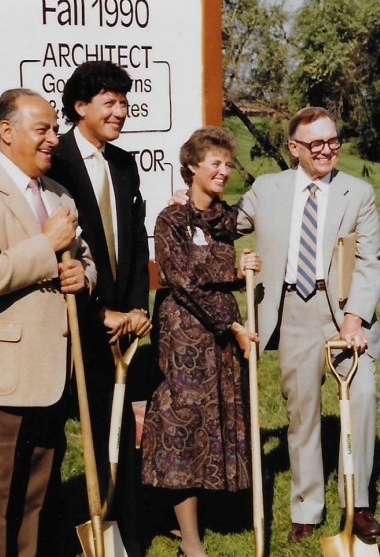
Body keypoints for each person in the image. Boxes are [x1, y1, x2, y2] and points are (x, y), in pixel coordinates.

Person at [0, 88, 95, 557]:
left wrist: (81, 275)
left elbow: (83, 259)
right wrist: (47, 249)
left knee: (34, 507)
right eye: (42, 129)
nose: (54, 139)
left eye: (54, 128)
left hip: (49, 378)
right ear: (6, 132)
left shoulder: (57, 194)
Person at [236, 107, 380, 543]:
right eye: (316, 143)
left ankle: (357, 504)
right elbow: (228, 225)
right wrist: (187, 204)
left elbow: (369, 260)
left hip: (343, 311)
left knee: (361, 400)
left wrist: (356, 317)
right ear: (294, 147)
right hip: (292, 309)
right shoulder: (267, 188)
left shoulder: (358, 193)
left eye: (332, 141)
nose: (326, 150)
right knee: (302, 412)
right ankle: (307, 507)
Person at [46, 60, 151, 557]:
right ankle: (53, 537)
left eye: (124, 102)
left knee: (117, 433)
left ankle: (125, 536)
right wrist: (97, 314)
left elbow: (135, 242)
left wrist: (135, 308)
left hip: (120, 330)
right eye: (109, 102)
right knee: (54, 437)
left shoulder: (124, 163)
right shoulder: (55, 161)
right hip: (71, 324)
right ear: (79, 107)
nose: (120, 111)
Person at [141, 127, 261, 557]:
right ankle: (190, 540)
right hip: (184, 336)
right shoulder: (169, 219)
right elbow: (182, 278)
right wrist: (231, 270)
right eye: (215, 163)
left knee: (217, 421)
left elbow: (249, 226)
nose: (224, 171)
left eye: (228, 164)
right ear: (192, 166)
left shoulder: (225, 220)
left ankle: (204, 514)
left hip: (224, 335)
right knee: (181, 426)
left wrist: (242, 268)